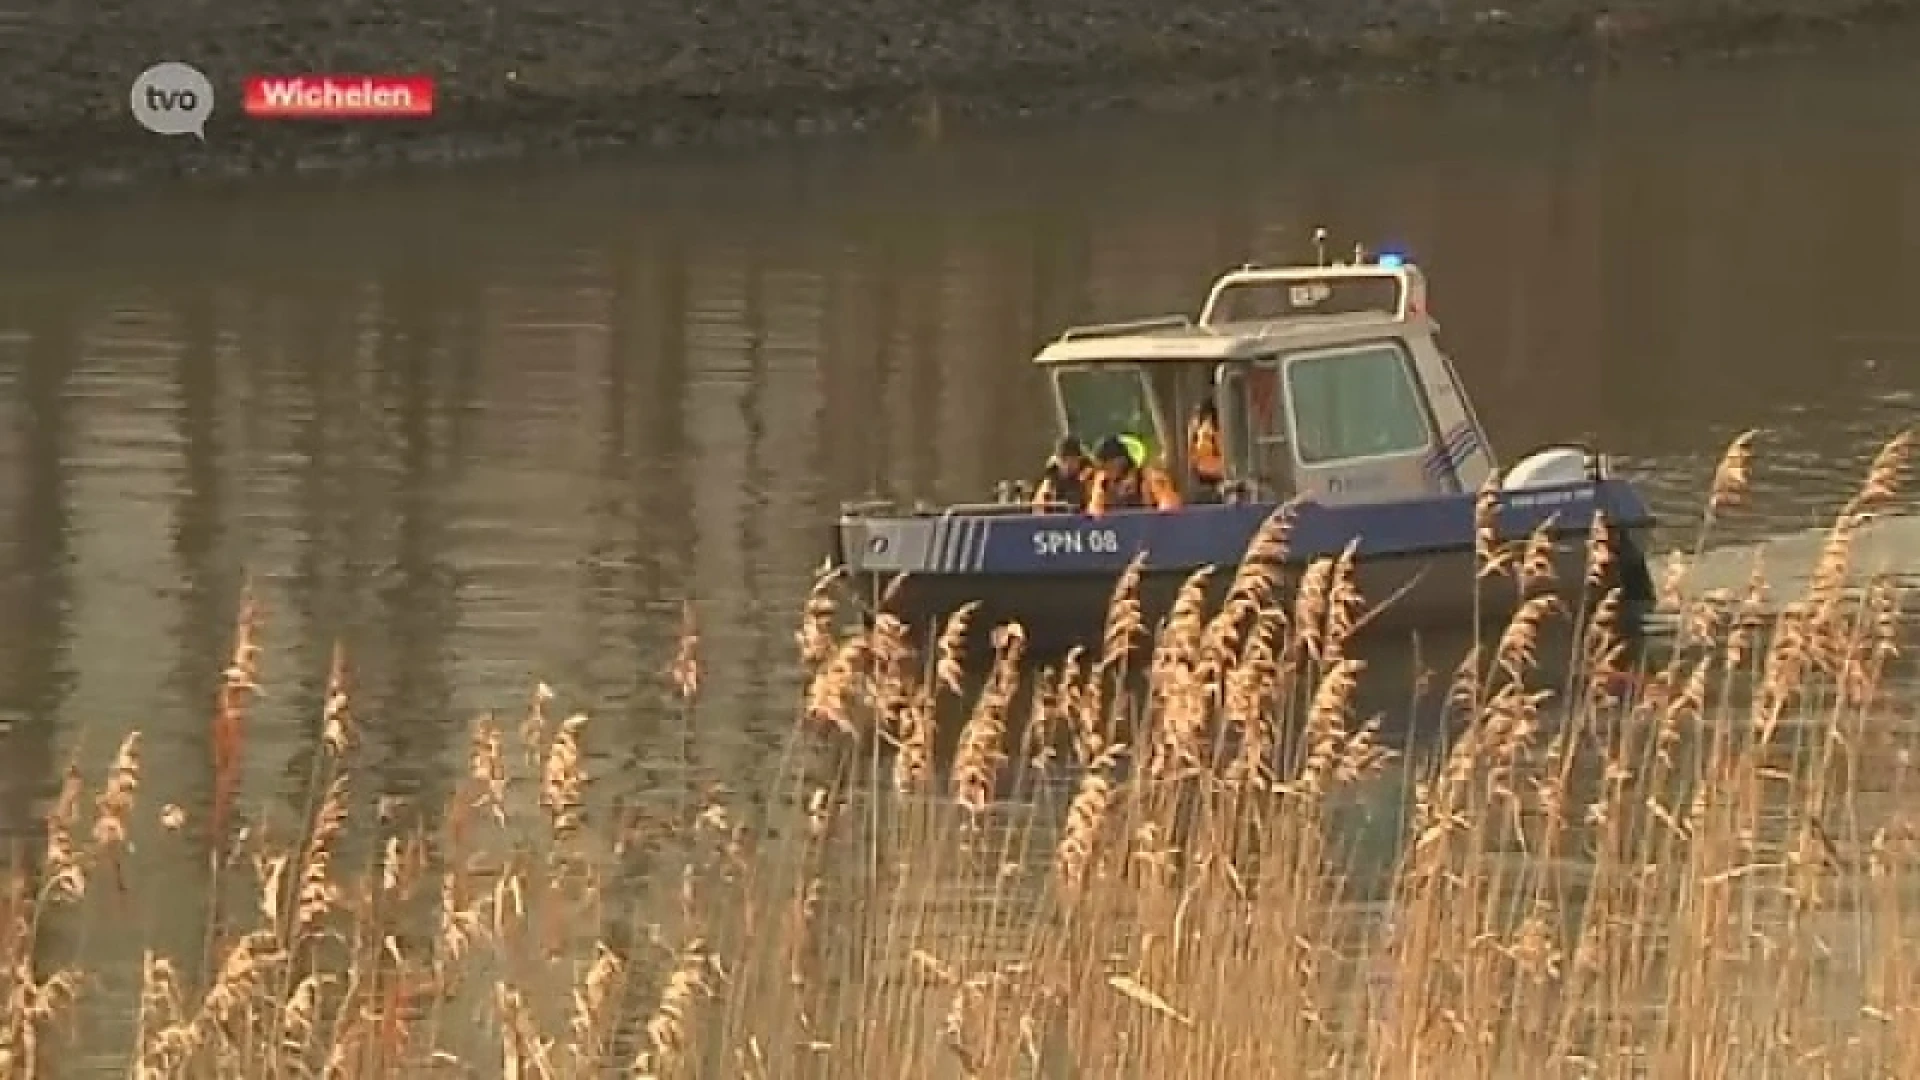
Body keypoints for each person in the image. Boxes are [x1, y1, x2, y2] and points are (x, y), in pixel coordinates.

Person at [1089, 434, 1181, 515]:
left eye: (1107, 462)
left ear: (1122, 459)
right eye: (1101, 465)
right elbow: (1094, 511)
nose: (1105, 469)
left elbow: (1169, 506)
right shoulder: (1103, 482)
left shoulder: (1150, 477)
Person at [1033, 435, 1094, 510]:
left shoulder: (1090, 476)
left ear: (1080, 459)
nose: (1068, 464)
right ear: (1057, 460)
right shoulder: (1050, 478)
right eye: (1064, 459)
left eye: (1073, 459)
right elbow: (1038, 510)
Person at [1187, 396, 1225, 499]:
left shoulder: (1211, 430)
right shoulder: (1196, 429)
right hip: (1202, 472)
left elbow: (1219, 450)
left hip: (1214, 472)